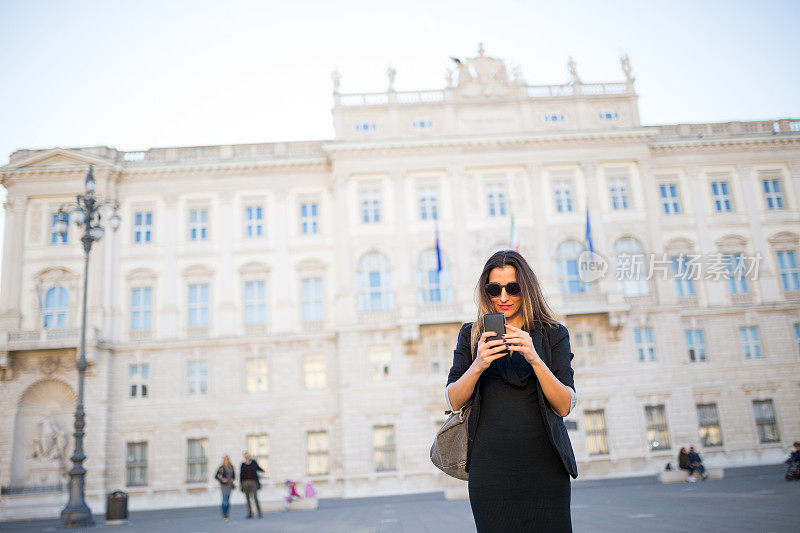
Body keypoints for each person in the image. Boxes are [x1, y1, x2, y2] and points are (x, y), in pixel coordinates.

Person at [446, 250, 578, 532]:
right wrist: (479, 364)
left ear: (526, 289)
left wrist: (534, 357)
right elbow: (455, 399)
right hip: (490, 472)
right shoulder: (471, 334)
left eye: (513, 288)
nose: (503, 296)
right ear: (486, 291)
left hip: (545, 468)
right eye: (494, 289)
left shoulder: (553, 333)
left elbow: (564, 405)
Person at [240, 451, 265, 518]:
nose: (247, 456)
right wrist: (241, 485)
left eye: (247, 455)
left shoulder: (253, 462)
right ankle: (250, 513)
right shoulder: (243, 464)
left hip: (253, 482)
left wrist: (263, 470)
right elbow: (241, 475)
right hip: (245, 483)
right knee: (247, 499)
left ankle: (259, 513)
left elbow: (257, 468)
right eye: (245, 455)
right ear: (244, 456)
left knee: (255, 497)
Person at [214, 455, 236, 520]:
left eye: (227, 459)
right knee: (224, 500)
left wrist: (233, 479)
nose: (227, 460)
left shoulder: (231, 467)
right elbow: (216, 476)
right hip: (224, 486)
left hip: (229, 485)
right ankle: (224, 514)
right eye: (225, 459)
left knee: (228, 501)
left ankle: (227, 514)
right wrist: (222, 479)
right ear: (224, 460)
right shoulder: (221, 468)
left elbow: (234, 475)